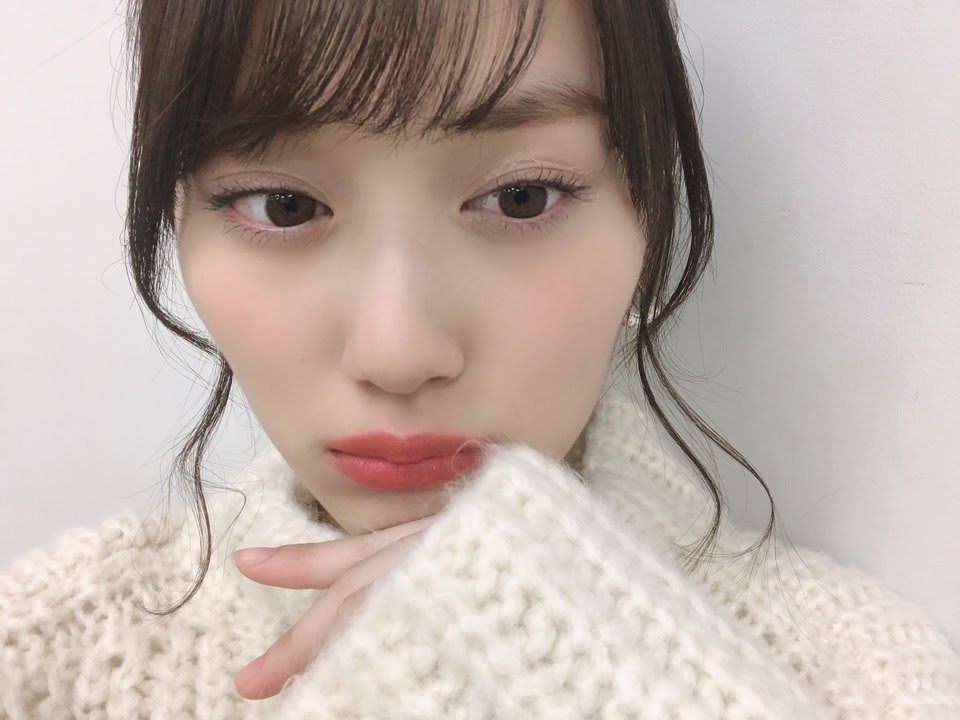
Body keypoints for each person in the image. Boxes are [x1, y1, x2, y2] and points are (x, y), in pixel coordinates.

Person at [2, 0, 958, 717]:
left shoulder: (864, 681)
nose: (398, 353)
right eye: (283, 205)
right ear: (179, 220)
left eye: (522, 197)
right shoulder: (48, 662)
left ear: (648, 219)